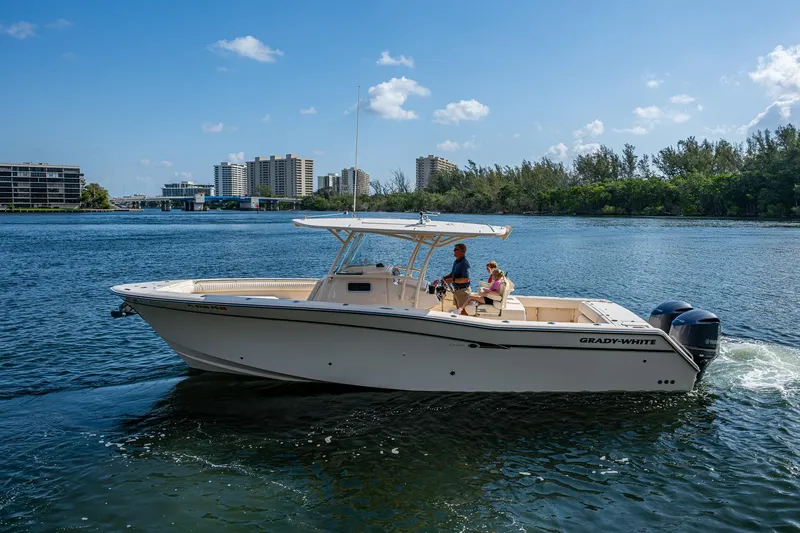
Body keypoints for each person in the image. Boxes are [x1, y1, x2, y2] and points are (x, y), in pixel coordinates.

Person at [443, 243, 471, 314]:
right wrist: (445, 278)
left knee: (463, 312)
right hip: (457, 291)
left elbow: (466, 279)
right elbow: (453, 273)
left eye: (456, 249)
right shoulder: (456, 261)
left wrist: (453, 280)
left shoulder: (464, 263)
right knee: (458, 311)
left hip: (463, 291)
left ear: (462, 251)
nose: (454, 250)